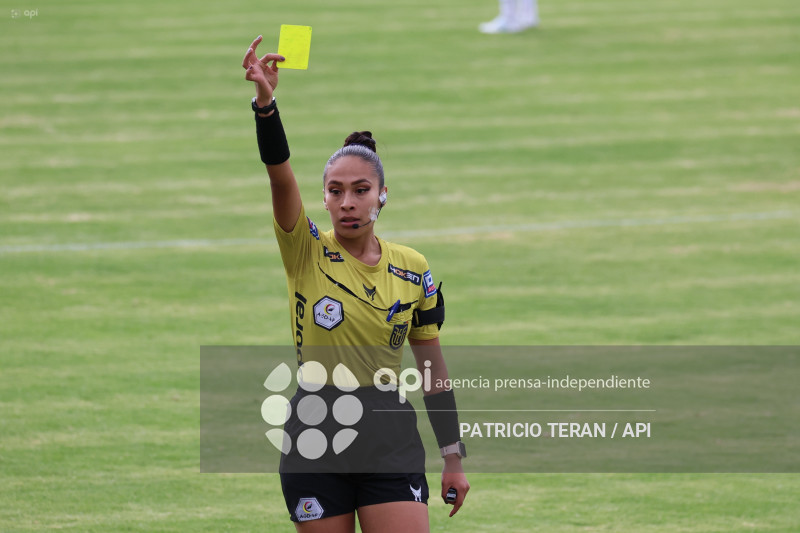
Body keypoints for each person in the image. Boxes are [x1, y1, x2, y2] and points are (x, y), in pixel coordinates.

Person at [242, 35, 470, 533]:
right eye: (336, 191)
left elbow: (432, 368)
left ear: (382, 196)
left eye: (361, 191)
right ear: (323, 199)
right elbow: (280, 177)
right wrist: (266, 104)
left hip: (389, 437)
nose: (348, 202)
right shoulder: (304, 249)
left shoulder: (413, 269)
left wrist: (453, 457)